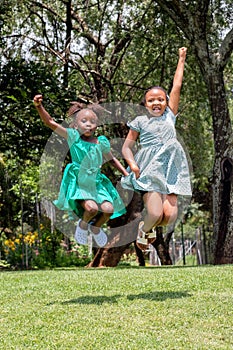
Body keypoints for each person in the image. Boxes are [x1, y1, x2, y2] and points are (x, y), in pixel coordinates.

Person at [33, 95, 129, 247]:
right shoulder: (73, 137)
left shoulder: (101, 142)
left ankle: (95, 228)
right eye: (84, 121)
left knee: (109, 209)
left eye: (92, 122)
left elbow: (112, 159)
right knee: (91, 208)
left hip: (96, 183)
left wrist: (126, 173)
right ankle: (83, 225)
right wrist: (39, 106)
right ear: (75, 125)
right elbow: (49, 122)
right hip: (80, 182)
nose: (88, 125)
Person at [121, 47, 192, 250]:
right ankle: (144, 228)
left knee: (169, 216)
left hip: (171, 168)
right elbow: (127, 147)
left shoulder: (170, 116)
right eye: (151, 100)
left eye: (160, 99)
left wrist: (181, 58)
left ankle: (149, 228)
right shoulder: (140, 121)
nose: (156, 103)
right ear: (145, 103)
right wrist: (133, 165)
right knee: (154, 213)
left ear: (166, 102)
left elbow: (176, 86)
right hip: (149, 169)